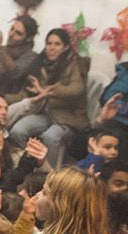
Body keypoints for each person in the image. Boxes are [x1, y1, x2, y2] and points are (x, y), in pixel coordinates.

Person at [8, 28, 89, 162]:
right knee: (17, 131)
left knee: (50, 137)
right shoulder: (41, 63)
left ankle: (48, 174)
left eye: (57, 44)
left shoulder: (74, 63)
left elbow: (77, 89)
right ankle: (32, 163)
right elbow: (26, 92)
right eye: (49, 43)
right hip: (46, 112)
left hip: (69, 117)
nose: (51, 48)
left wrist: (46, 90)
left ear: (66, 47)